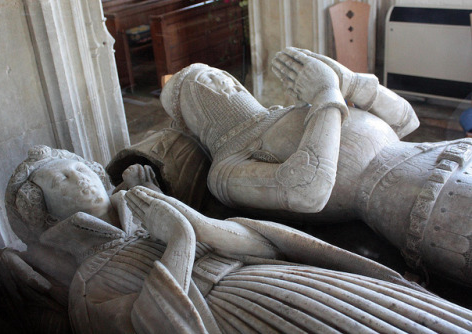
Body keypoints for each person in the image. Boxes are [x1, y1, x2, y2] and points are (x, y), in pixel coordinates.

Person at [0, 145, 472, 333]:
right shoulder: (88, 278)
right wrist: (181, 239)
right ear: (43, 210)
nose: (78, 179)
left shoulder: (146, 207)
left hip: (277, 280)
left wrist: (199, 227)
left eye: (79, 167)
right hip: (234, 316)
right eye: (58, 182)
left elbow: (262, 243)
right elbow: (149, 327)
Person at [155, 47, 472, 287]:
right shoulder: (226, 168)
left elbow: (405, 120)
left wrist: (352, 83)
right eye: (202, 84)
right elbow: (307, 191)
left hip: (443, 152)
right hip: (424, 198)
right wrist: (326, 94)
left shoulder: (288, 110)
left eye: (221, 75)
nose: (223, 83)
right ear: (193, 114)